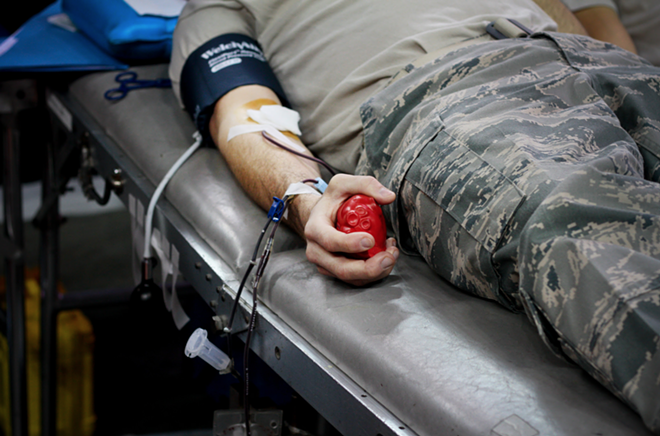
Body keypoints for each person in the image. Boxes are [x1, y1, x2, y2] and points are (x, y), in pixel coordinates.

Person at [170, 0, 660, 433]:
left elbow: (579, 17)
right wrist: (307, 199)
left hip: (598, 60)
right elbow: (246, 119)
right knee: (579, 226)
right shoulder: (219, 6)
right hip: (449, 97)